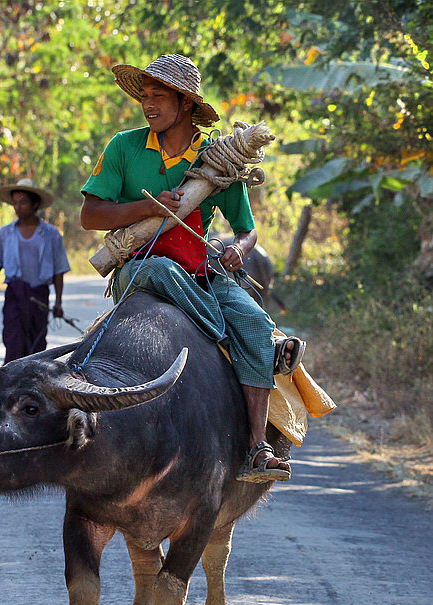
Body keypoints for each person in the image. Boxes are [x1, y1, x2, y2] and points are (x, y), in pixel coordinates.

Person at [80, 54, 304, 483]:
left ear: (185, 103)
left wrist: (238, 249)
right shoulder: (124, 146)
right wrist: (147, 206)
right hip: (139, 268)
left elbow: (246, 230)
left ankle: (256, 447)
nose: (148, 104)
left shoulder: (216, 158)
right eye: (144, 96)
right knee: (162, 270)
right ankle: (226, 336)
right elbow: (90, 216)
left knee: (256, 324)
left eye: (158, 96)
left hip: (202, 273)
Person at [0, 178, 71, 362]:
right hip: (15, 294)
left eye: (23, 203)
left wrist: (58, 302)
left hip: (39, 296)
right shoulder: (6, 233)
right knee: (13, 340)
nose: (18, 207)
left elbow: (58, 271)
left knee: (36, 345)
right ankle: (12, 386)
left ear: (35, 204)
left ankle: (31, 385)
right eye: (15, 203)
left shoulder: (51, 234)